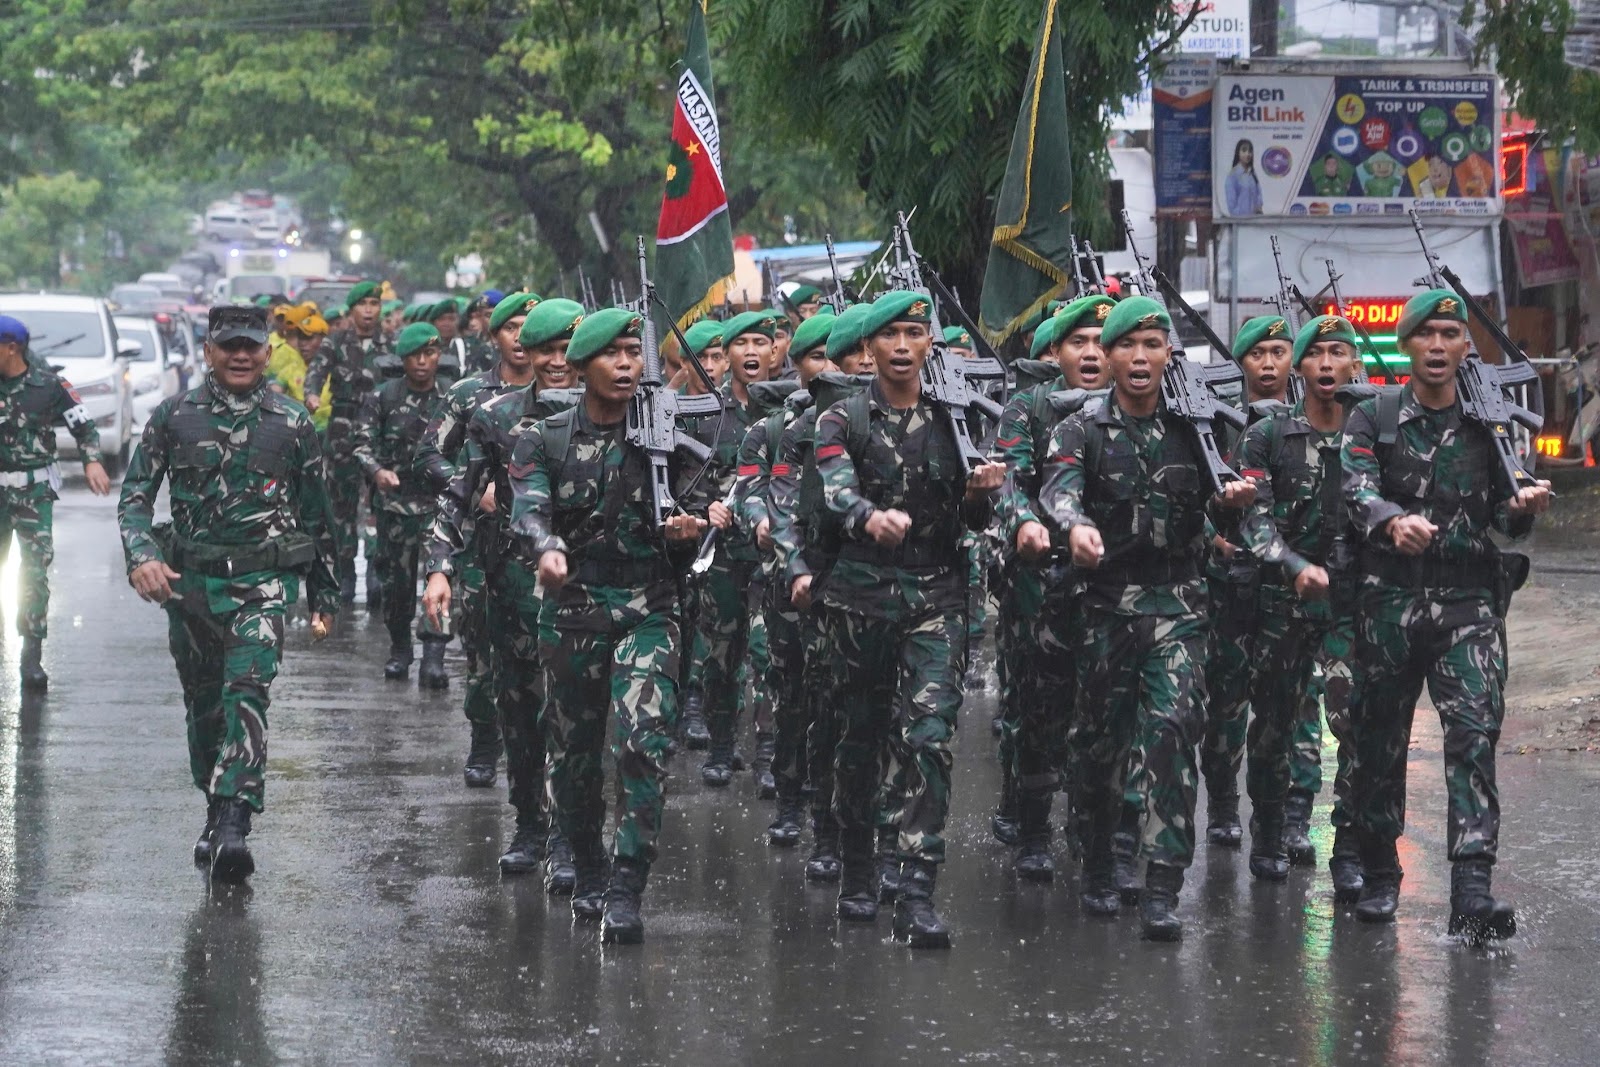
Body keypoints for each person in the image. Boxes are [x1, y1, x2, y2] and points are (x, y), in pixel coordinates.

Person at [505, 306, 729, 943]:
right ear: (580, 367)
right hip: (572, 609)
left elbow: (698, 516)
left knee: (640, 743)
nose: (627, 364)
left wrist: (693, 529)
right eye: (614, 354)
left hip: (648, 609)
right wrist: (545, 547)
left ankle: (629, 884)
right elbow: (528, 506)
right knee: (574, 756)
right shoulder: (541, 438)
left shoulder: (665, 436)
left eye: (635, 352)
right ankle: (590, 864)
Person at [1039, 296, 1256, 940]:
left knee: (1168, 731)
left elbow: (1227, 507)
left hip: (1180, 606)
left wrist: (1237, 506)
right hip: (1104, 605)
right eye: (1126, 346)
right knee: (1100, 743)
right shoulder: (1079, 428)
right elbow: (1059, 492)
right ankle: (1100, 859)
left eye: (1153, 345)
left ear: (1169, 355)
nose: (1139, 358)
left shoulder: (1198, 425)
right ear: (1104, 357)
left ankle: (1162, 883)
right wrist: (1075, 529)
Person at [1340, 289, 1550, 940]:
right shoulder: (1373, 415)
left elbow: (1505, 518)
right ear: (1406, 345)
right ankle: (1380, 871)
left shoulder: (1492, 422)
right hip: (1391, 601)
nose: (1437, 346)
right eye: (1425, 335)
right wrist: (1390, 519)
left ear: (1467, 346)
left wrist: (1524, 505)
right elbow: (1354, 487)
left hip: (1468, 604)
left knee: (1472, 736)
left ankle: (1472, 889)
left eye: (1450, 334)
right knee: (1379, 739)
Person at [118, 304, 338, 883]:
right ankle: (215, 806)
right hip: (190, 589)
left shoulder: (293, 423)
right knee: (205, 710)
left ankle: (237, 822)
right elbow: (135, 498)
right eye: (229, 346)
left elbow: (318, 516)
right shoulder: (173, 417)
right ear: (210, 351)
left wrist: (323, 593)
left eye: (251, 346)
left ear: (268, 352)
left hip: (261, 588)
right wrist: (142, 557)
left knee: (247, 694)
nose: (241, 356)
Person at [814, 290, 1006, 948]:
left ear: (931, 344)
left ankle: (918, 886)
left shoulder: (957, 418)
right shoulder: (842, 418)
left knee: (928, 736)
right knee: (860, 738)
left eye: (914, 333)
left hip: (935, 595)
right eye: (889, 334)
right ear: (867, 349)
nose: (901, 346)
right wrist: (868, 516)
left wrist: (982, 497)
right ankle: (861, 864)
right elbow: (835, 491)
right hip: (861, 594)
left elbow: (975, 520)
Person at [423, 298, 586, 889]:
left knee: (573, 715)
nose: (558, 361)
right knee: (518, 712)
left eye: (569, 349)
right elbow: (455, 495)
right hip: (508, 585)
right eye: (546, 350)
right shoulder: (494, 416)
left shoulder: (621, 416)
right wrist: (438, 568)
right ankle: (530, 826)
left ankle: (571, 834)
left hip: (585, 590)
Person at [1236, 315, 1364, 894]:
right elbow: (1253, 519)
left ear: (1353, 364)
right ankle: (1270, 828)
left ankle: (1350, 848)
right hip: (1280, 603)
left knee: (1356, 726)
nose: (1329, 364)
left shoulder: (1372, 432)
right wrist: (1292, 567)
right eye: (1318, 355)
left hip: (1348, 607)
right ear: (1301, 368)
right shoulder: (1267, 434)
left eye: (1340, 353)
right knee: (1274, 726)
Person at [988, 295, 1113, 884]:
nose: (1090, 353)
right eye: (1077, 343)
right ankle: (1033, 824)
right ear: (1055, 352)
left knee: (1108, 714)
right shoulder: (1028, 408)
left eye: (1100, 341)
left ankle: (1098, 831)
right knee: (1037, 708)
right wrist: (1026, 524)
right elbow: (1008, 481)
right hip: (1044, 580)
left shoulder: (1142, 408)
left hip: (1117, 584)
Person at [415, 291, 543, 787]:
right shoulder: (470, 395)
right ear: (494, 335)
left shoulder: (567, 394)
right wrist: (472, 490)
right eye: (511, 327)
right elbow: (428, 455)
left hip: (541, 549)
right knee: (484, 648)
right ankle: (485, 739)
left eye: (530, 328)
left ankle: (536, 748)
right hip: (478, 545)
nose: (521, 338)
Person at [1202, 314, 1294, 848]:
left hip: (1284, 584)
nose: (1267, 363)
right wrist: (1212, 537)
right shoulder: (1213, 418)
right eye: (1257, 354)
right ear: (1241, 362)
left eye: (1278, 352)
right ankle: (1221, 804)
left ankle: (1281, 815)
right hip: (1228, 584)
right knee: (1226, 703)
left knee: (1285, 708)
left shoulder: (1308, 419)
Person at [741, 313, 834, 835]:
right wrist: (761, 525)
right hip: (788, 587)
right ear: (796, 365)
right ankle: (791, 799)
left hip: (852, 586)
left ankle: (836, 816)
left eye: (835, 354)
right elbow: (752, 494)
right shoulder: (773, 430)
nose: (829, 367)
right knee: (793, 696)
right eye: (816, 357)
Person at [684, 310, 775, 786]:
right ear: (728, 354)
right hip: (720, 555)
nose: (753, 352)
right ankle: (722, 746)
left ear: (775, 351)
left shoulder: (789, 410)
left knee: (767, 654)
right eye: (742, 344)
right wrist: (705, 513)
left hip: (772, 553)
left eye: (762, 342)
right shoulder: (704, 414)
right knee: (721, 655)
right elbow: (682, 487)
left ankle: (767, 756)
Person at [0, 315, 111, 689]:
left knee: (33, 576)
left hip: (33, 494)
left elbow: (83, 424)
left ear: (11, 347)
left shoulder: (48, 386)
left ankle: (31, 656)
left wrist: (91, 459)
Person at [354, 322, 452, 685]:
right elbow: (361, 445)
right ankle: (400, 649)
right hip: (395, 509)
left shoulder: (450, 396)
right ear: (403, 358)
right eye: (414, 355)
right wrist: (377, 471)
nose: (422, 362)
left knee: (437, 580)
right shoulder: (383, 397)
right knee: (396, 586)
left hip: (439, 508)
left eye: (429, 354)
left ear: (438, 356)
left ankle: (434, 655)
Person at [302, 280, 395, 604]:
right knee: (340, 510)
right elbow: (316, 371)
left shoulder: (391, 343)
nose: (368, 310)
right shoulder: (336, 341)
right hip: (342, 434)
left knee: (377, 508)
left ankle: (374, 571)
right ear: (352, 309)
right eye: (362, 304)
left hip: (379, 435)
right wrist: (311, 394)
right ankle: (343, 574)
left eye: (374, 303)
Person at [1225, 138, 1264, 216]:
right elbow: (1231, 205)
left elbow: (1258, 195)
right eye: (1244, 150)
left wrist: (1258, 210)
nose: (1247, 154)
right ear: (1238, 153)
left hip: (1255, 221)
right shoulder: (1233, 176)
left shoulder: (1252, 174)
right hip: (1240, 222)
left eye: (1250, 151)